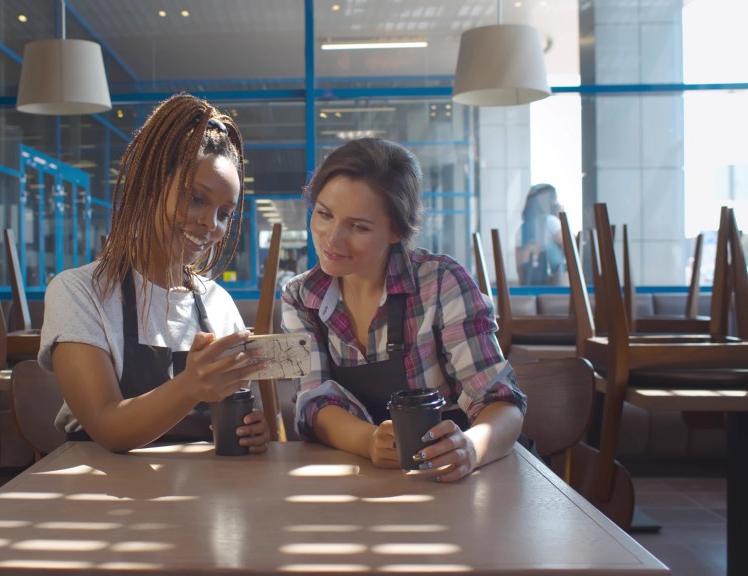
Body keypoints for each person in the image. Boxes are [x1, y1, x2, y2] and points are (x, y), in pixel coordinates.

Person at [281, 138, 526, 483]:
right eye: (324, 214)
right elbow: (314, 403)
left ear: (397, 230)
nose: (332, 239)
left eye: (359, 227)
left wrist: (470, 448)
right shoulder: (301, 296)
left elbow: (501, 401)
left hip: (458, 479)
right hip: (363, 482)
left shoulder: (440, 282)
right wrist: (370, 442)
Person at [38, 94, 270, 453]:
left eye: (225, 213)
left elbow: (231, 415)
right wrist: (191, 385)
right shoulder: (79, 292)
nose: (212, 224)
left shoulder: (218, 304)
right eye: (196, 199)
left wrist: (250, 431)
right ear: (149, 187)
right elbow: (106, 426)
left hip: (201, 485)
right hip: (98, 483)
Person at [516, 183, 566, 285]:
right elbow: (570, 247)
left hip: (529, 285)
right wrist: (562, 218)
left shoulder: (521, 228)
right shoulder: (550, 221)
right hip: (552, 284)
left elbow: (519, 266)